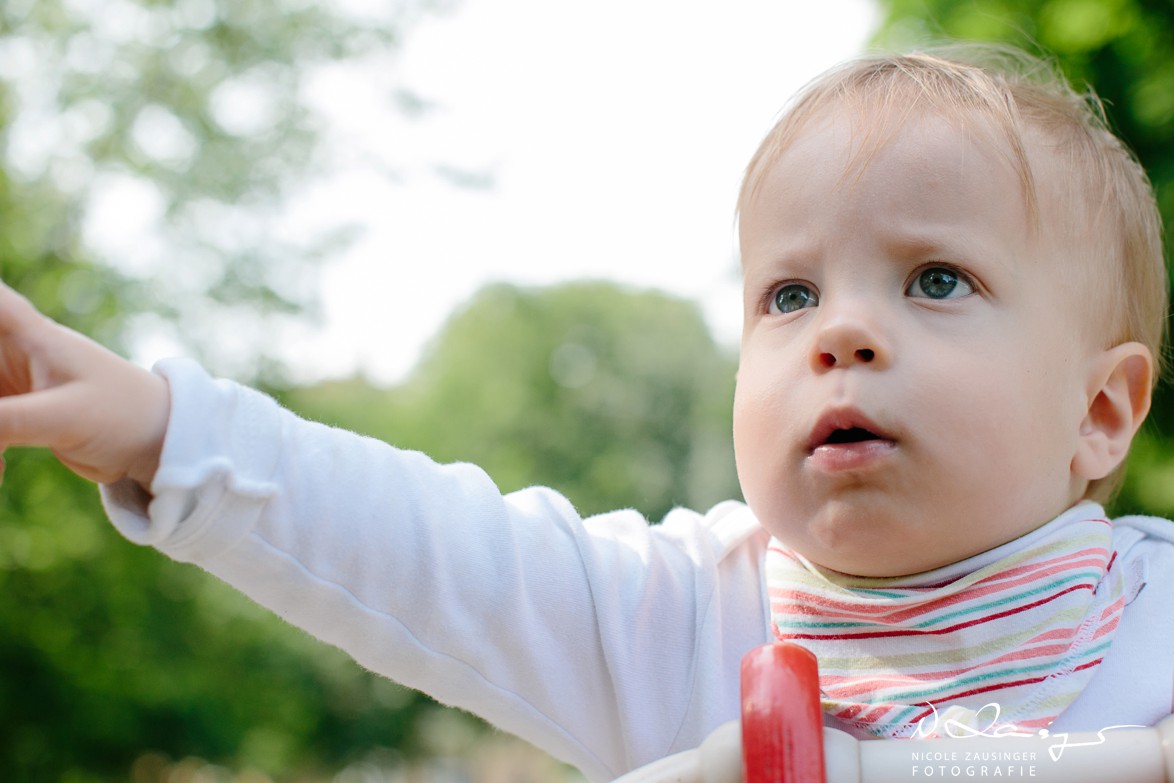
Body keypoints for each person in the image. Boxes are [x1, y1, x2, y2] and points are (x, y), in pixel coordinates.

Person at [0, 43, 1171, 783]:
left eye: (935, 281)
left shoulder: (1156, 624)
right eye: (789, 293)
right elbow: (428, 551)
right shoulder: (675, 622)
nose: (840, 334)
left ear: (1101, 412)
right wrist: (163, 431)